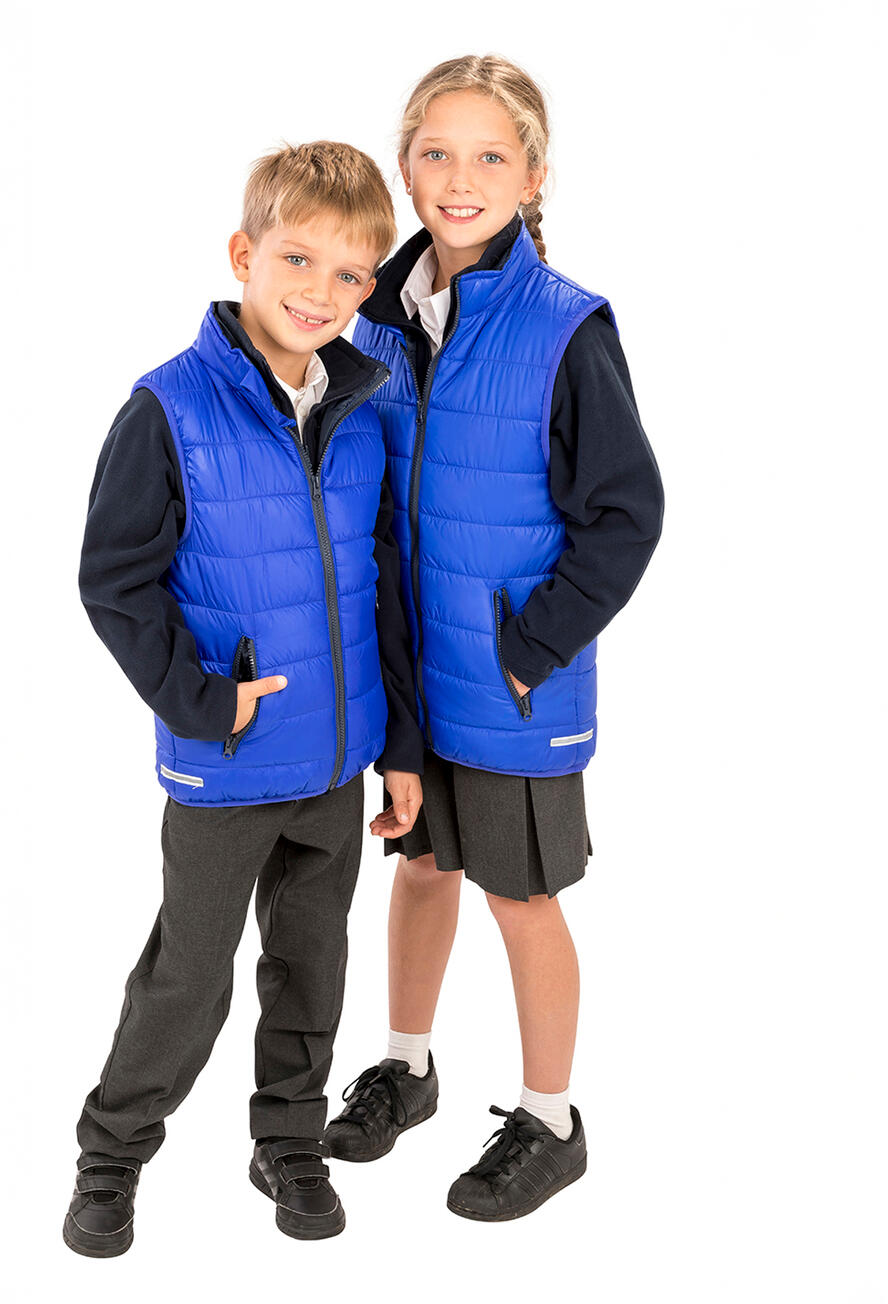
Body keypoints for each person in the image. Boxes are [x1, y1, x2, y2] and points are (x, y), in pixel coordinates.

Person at [63, 140, 424, 1254]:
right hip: (227, 766)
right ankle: (111, 1155)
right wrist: (200, 701)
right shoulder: (168, 408)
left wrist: (401, 744)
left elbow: (381, 586)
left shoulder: (360, 408)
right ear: (243, 254)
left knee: (312, 965)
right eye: (298, 260)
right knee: (189, 976)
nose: (321, 292)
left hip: (337, 765)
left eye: (350, 274)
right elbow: (113, 581)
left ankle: (289, 1140)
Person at [324, 56, 665, 1222]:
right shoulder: (373, 317)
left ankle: (550, 1118)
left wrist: (532, 647)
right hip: (412, 672)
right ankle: (406, 1064)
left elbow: (625, 514)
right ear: (404, 165)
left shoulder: (565, 328)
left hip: (515, 680)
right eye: (435, 152)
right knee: (422, 865)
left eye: (488, 155)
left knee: (519, 895)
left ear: (532, 176)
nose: (458, 177)